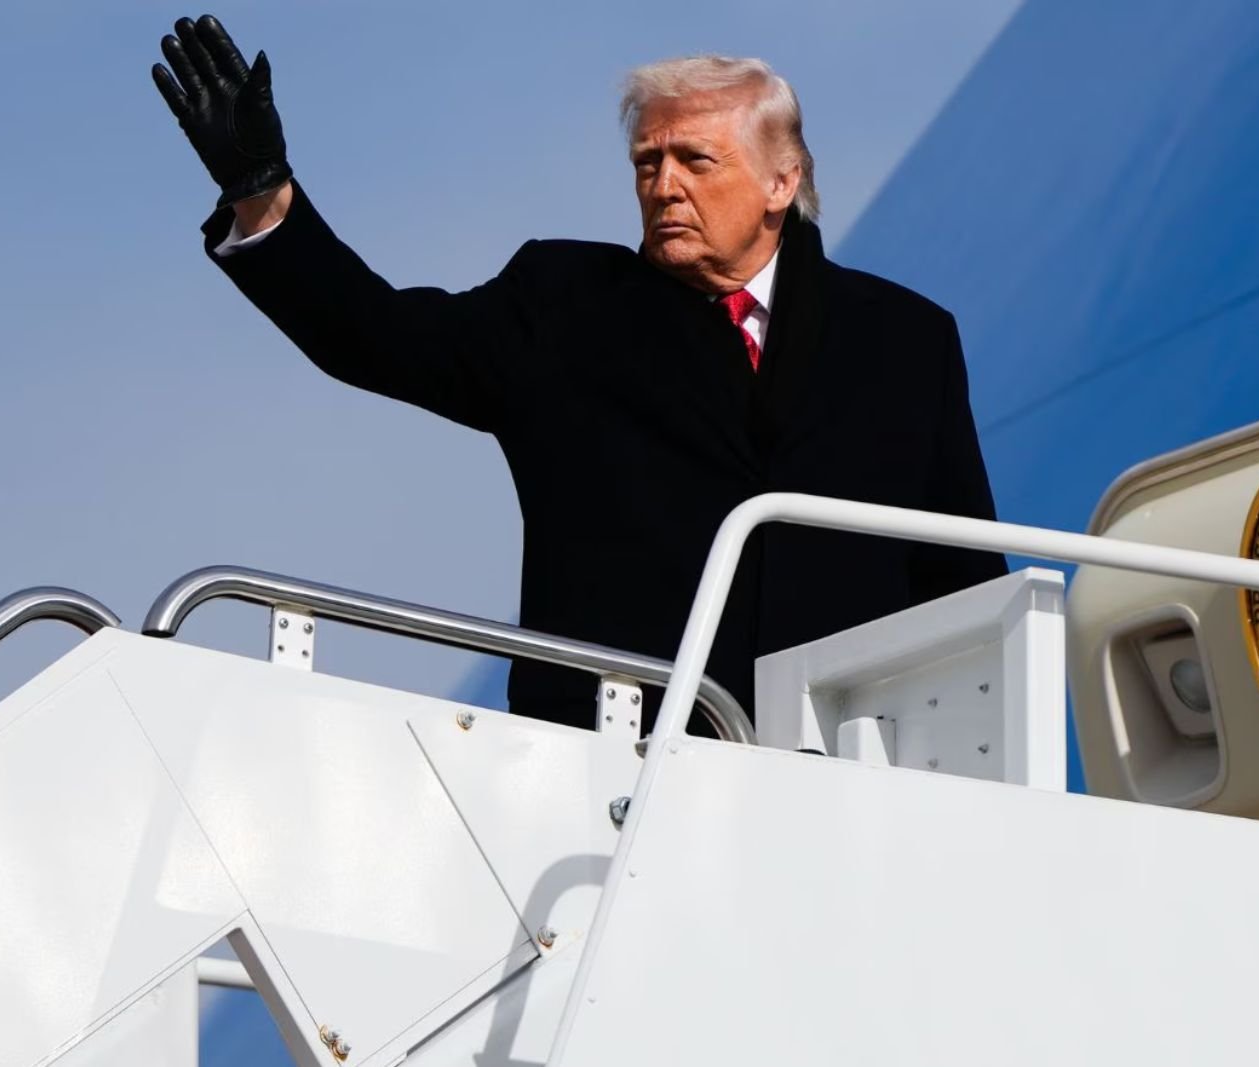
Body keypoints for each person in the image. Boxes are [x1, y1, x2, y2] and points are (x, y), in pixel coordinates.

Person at [152, 14, 1007, 731]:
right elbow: (372, 333)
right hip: (607, 771)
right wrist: (263, 192)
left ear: (781, 182)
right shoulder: (563, 306)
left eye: (695, 161)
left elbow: (963, 586)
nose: (663, 186)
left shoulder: (907, 341)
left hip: (845, 781)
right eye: (647, 162)